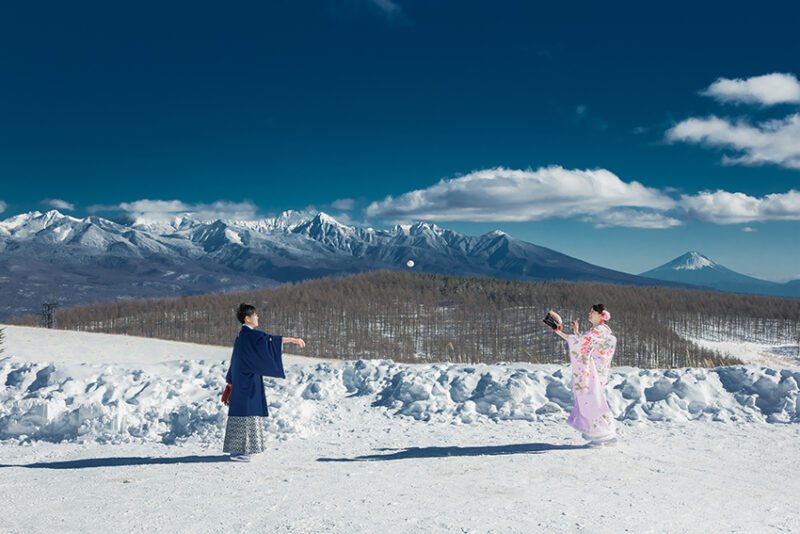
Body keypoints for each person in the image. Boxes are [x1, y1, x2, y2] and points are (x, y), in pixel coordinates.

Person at [222, 303, 306, 462]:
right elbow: (269, 340)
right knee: (244, 413)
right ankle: (236, 452)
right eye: (255, 315)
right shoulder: (249, 335)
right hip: (246, 382)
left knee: (246, 413)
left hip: (244, 380)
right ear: (247, 318)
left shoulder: (242, 336)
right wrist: (293, 340)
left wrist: (231, 380)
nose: (257, 317)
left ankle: (242, 449)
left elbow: (236, 359)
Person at [551, 303, 617, 446]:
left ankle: (598, 438)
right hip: (597, 370)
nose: (589, 314)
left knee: (591, 401)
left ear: (601, 315)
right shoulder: (599, 329)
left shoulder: (598, 329)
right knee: (596, 400)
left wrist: (559, 332)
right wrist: (577, 333)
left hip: (593, 370)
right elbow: (585, 343)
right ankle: (607, 436)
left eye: (592, 312)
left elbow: (581, 343)